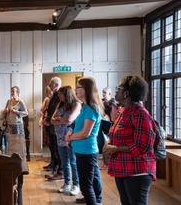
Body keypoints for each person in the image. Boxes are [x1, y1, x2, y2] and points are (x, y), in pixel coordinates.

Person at [103, 76, 156, 205]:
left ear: (126, 93)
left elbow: (143, 146)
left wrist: (116, 149)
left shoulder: (140, 113)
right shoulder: (124, 111)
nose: (115, 92)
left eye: (118, 89)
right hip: (123, 168)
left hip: (137, 170)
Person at [66, 77, 103, 205]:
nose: (76, 90)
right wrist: (70, 132)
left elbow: (85, 133)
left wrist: (70, 138)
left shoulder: (91, 109)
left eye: (78, 87)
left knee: (86, 187)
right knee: (89, 183)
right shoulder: (84, 107)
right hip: (82, 150)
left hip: (87, 151)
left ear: (86, 89)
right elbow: (78, 125)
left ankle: (95, 201)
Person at [51, 86, 81, 195]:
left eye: (60, 94)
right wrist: (61, 120)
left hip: (70, 138)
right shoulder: (60, 104)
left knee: (73, 162)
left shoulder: (76, 104)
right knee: (64, 163)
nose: (59, 96)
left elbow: (69, 120)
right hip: (59, 137)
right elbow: (51, 120)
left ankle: (76, 185)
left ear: (67, 94)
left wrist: (59, 119)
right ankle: (67, 183)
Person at [2, 86, 28, 205]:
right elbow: (4, 112)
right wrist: (5, 111)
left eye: (14, 91)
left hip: (18, 126)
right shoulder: (8, 101)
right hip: (9, 125)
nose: (12, 93)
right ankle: (10, 157)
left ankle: (19, 160)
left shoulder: (20, 101)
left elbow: (25, 113)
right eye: (11, 91)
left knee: (18, 144)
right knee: (10, 144)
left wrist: (17, 111)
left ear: (18, 92)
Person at [43, 77, 63, 180]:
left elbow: (58, 111)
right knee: (53, 148)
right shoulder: (54, 95)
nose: (50, 86)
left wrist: (50, 119)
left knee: (57, 149)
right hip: (51, 125)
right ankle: (55, 168)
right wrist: (47, 119)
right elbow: (50, 109)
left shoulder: (60, 95)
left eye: (51, 84)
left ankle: (60, 171)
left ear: (55, 85)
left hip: (56, 127)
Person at [40, 86, 53, 160]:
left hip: (52, 122)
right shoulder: (47, 99)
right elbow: (42, 109)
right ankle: (52, 161)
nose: (48, 93)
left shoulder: (55, 99)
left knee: (53, 143)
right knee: (49, 141)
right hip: (47, 121)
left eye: (49, 91)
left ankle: (54, 162)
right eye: (47, 91)